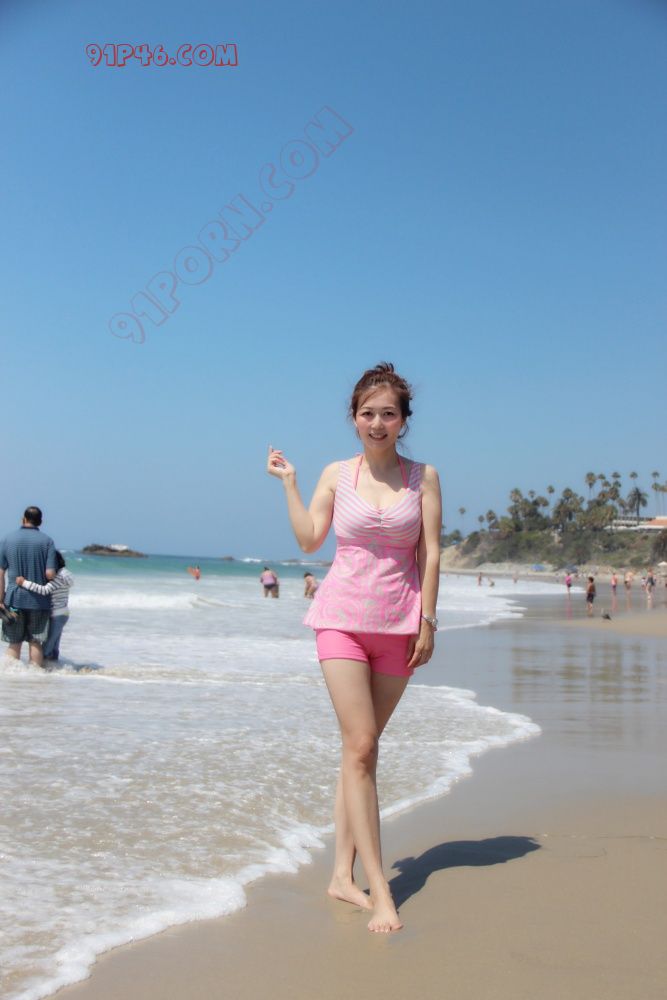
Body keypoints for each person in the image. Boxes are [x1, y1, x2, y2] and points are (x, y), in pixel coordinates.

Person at [267, 362, 442, 934]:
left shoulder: (424, 478)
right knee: (362, 746)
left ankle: (341, 875)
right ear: (354, 417)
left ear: (403, 420)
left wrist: (428, 620)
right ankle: (381, 889)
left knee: (358, 754)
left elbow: (430, 553)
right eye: (368, 413)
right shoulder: (336, 474)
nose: (377, 422)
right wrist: (290, 483)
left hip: (399, 625)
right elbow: (308, 539)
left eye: (388, 413)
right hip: (340, 620)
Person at [0, 506, 57, 667]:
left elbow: (0, 572)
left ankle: (12, 677)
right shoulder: (47, 541)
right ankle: (35, 678)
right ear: (40, 522)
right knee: (35, 642)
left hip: (14, 599)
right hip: (39, 601)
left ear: (23, 519)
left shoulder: (7, 539)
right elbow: (50, 574)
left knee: (14, 642)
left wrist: (0, 599)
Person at [17, 551, 74, 662]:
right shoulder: (63, 574)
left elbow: (44, 590)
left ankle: (43, 666)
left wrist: (24, 583)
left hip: (58, 615)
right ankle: (55, 666)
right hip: (61, 613)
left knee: (48, 644)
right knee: (54, 644)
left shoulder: (60, 577)